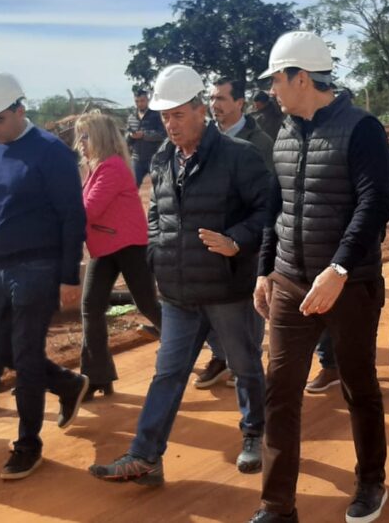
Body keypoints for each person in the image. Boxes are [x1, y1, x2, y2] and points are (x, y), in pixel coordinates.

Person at [89, 64, 272, 484]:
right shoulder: (163, 158)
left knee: (245, 366)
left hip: (227, 287)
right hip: (177, 290)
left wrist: (236, 240)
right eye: (165, 116)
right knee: (168, 374)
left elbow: (267, 211)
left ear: (200, 110)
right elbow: (157, 212)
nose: (170, 124)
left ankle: (254, 434)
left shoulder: (239, 156)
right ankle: (146, 456)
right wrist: (157, 252)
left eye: (178, 115)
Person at [250, 31, 389, 523]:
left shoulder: (361, 128)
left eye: (276, 80)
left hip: (349, 286)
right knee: (280, 391)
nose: (272, 90)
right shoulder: (285, 132)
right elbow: (276, 207)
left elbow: (375, 203)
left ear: (301, 78)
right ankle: (276, 506)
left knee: (358, 386)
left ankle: (371, 481)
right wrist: (266, 270)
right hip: (291, 282)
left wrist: (339, 268)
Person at [0, 72, 90, 480]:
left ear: (19, 109)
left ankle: (28, 444)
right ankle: (67, 384)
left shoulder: (51, 152)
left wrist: (69, 275)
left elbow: (72, 217)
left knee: (26, 357)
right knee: (8, 353)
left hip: (39, 267)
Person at [74, 112, 163, 401]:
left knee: (147, 304)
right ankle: (96, 376)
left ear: (99, 137)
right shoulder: (96, 167)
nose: (80, 142)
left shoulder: (111, 167)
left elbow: (88, 210)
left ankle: (190, 342)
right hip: (106, 247)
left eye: (85, 136)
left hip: (129, 246)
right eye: (80, 136)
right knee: (91, 307)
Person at [196, 77, 276, 390]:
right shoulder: (204, 138)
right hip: (209, 240)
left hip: (246, 238)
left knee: (248, 305)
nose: (214, 105)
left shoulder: (260, 142)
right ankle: (222, 357)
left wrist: (248, 234)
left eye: (221, 99)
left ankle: (249, 367)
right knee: (206, 304)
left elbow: (268, 196)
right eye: (211, 99)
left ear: (240, 103)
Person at [126, 88, 166, 187]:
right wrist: (130, 136)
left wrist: (144, 135)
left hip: (154, 158)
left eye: (142, 101)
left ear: (147, 100)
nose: (139, 104)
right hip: (136, 159)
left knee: (159, 186)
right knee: (132, 187)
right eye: (137, 101)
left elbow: (163, 135)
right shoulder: (131, 117)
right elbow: (126, 138)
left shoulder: (156, 115)